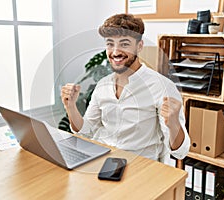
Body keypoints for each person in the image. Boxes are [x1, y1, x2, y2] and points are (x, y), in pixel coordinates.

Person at [61, 13, 190, 164]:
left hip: (140, 167)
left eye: (124, 44)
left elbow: (181, 152)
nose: (115, 52)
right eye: (110, 44)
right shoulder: (102, 85)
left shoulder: (162, 87)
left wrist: (173, 123)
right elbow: (86, 131)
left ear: (139, 46)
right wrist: (70, 107)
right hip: (102, 161)